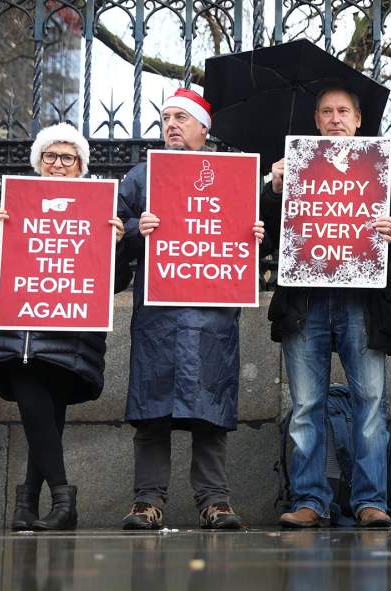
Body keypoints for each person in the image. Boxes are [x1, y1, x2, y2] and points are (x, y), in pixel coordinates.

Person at [261, 87, 391, 528]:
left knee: (370, 403)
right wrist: (273, 189)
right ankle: (309, 499)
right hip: (304, 303)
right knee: (307, 406)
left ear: (359, 120)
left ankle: (371, 501)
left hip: (362, 305)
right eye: (326, 112)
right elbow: (264, 235)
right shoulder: (295, 169)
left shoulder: (381, 171)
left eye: (343, 111)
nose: (335, 118)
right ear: (316, 119)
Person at [117, 88, 265, 530]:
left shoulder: (233, 176)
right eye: (166, 118)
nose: (171, 125)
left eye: (181, 117)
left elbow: (257, 239)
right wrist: (131, 228)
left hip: (212, 313)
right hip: (159, 314)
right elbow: (105, 228)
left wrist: (255, 232)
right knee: (152, 409)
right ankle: (147, 501)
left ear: (204, 128)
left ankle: (215, 501)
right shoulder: (141, 177)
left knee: (210, 408)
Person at [0, 122, 126, 530]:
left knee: (47, 413)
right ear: (38, 162)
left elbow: (116, 282)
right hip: (16, 332)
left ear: (80, 166)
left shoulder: (100, 208)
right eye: (50, 156)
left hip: (70, 331)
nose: (58, 164)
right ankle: (62, 496)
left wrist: (117, 246)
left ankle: (26, 504)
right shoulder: (14, 202)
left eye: (67, 158)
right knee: (35, 401)